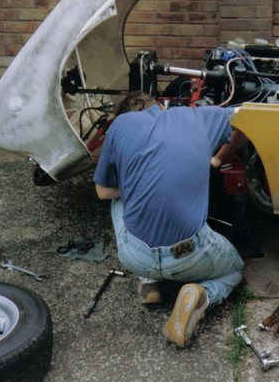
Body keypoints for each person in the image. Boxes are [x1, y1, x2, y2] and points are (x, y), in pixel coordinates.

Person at [93, 91, 248, 348]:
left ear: (123, 116)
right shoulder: (197, 117)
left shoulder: (119, 127)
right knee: (234, 270)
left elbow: (102, 191)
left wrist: (134, 184)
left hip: (135, 258)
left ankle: (150, 281)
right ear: (160, 107)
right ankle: (202, 295)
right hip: (191, 256)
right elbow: (246, 120)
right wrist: (219, 158)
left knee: (117, 197)